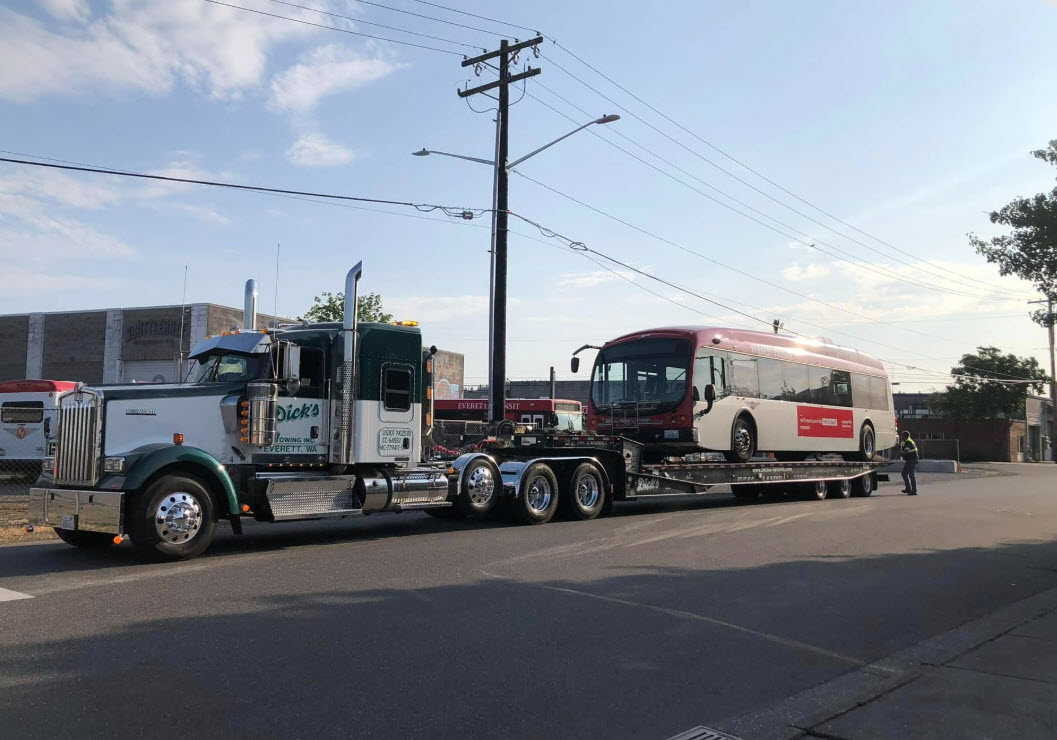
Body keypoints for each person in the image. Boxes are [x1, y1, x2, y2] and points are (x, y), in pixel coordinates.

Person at [900, 431, 919, 495]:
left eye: (902, 435)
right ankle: (908, 489)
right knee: (904, 473)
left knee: (911, 475)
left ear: (906, 436)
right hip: (909, 460)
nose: (901, 437)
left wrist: (901, 454)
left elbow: (906, 451)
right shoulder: (905, 441)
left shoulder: (908, 441)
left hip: (912, 460)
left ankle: (914, 491)